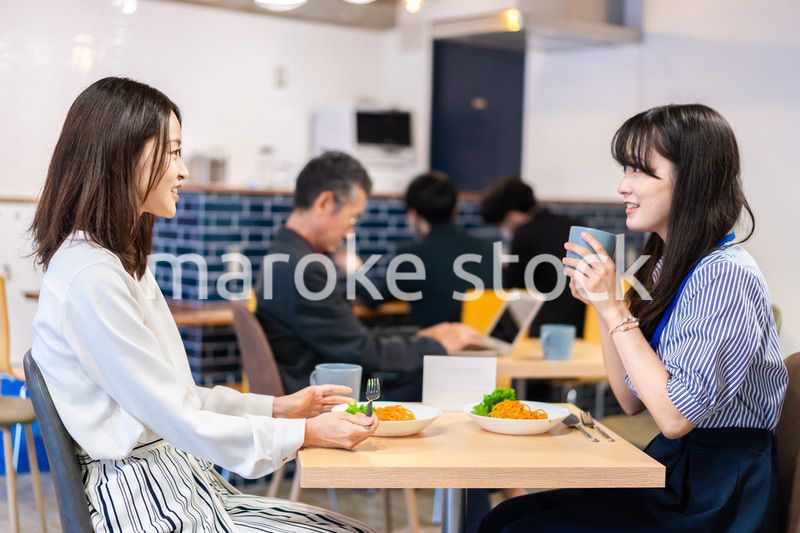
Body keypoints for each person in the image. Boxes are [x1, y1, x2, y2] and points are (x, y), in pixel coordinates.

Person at [30, 77, 380, 533]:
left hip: (177, 483)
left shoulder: (116, 263)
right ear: (122, 157)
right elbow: (178, 417)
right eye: (173, 152)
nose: (183, 172)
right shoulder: (92, 276)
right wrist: (305, 433)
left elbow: (178, 399)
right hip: (142, 504)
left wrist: (278, 409)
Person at [480, 104, 788, 532]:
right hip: (679, 468)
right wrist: (600, 305)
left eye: (641, 171)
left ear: (692, 179)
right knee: (506, 516)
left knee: (516, 528)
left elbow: (675, 418)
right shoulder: (666, 266)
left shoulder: (725, 275)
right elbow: (629, 400)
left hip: (718, 490)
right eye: (625, 168)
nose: (623, 186)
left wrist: (614, 307)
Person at [255, 152, 484, 400]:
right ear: (325, 203)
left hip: (331, 387)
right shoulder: (303, 269)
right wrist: (437, 345)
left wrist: (423, 336)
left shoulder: (286, 256)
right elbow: (361, 351)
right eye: (353, 218)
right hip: (337, 399)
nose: (350, 232)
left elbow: (354, 339)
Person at [366, 170, 495, 328]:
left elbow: (373, 297)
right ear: (454, 209)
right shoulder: (488, 247)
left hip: (437, 342)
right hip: (484, 340)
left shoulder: (411, 256)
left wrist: (353, 268)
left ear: (413, 214)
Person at [480, 176, 586, 337]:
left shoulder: (524, 235)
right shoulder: (573, 224)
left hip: (544, 329)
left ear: (511, 216)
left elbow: (514, 285)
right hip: (583, 322)